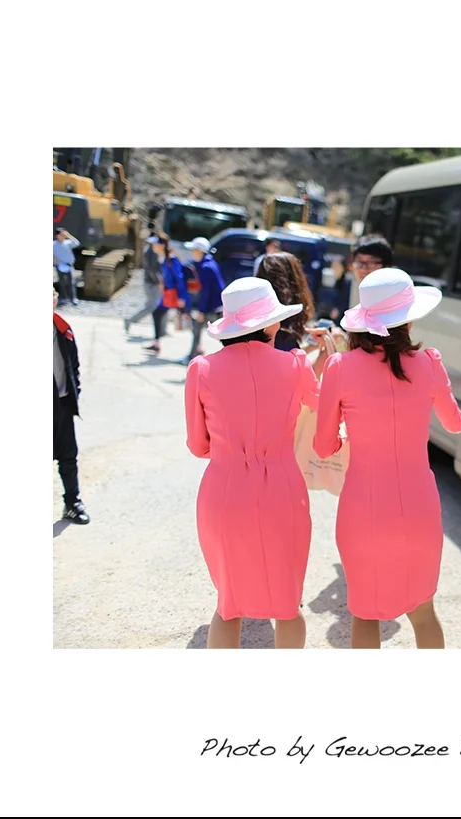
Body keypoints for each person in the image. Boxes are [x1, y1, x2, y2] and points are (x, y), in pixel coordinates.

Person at [312, 268, 461, 649]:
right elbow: (455, 422)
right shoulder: (429, 362)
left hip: (363, 507)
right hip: (419, 505)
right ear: (408, 320)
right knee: (424, 612)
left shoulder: (340, 367)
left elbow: (323, 447)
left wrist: (347, 437)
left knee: (365, 613)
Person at [183, 277, 332, 648]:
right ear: (270, 324)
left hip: (224, 490)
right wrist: (329, 357)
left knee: (229, 605)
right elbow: (322, 403)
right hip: (283, 488)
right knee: (287, 604)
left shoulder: (201, 369)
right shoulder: (295, 364)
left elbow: (198, 446)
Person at [54, 278, 90, 525]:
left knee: (68, 455)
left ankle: (72, 502)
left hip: (62, 402)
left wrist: (73, 390)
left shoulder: (62, 328)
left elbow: (73, 365)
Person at [255, 252, 316, 352]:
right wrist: (325, 350)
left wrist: (311, 347)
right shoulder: (284, 335)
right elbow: (290, 358)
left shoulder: (250, 329)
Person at [182, 237, 225, 366]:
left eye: (194, 249)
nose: (192, 252)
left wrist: (202, 311)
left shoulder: (206, 267)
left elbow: (206, 292)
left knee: (219, 334)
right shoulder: (208, 264)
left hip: (212, 306)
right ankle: (195, 352)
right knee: (198, 329)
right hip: (215, 305)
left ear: (200, 251)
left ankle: (193, 354)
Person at [148, 239, 188, 355]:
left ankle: (197, 347)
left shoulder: (172, 260)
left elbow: (179, 278)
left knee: (191, 320)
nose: (153, 246)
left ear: (161, 245)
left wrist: (182, 297)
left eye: (155, 244)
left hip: (175, 294)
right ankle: (156, 343)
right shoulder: (164, 259)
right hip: (168, 294)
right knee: (157, 313)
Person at [124, 235, 164, 336]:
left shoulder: (150, 251)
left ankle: (162, 329)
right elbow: (152, 270)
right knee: (151, 307)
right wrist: (158, 281)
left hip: (152, 282)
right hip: (152, 283)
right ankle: (130, 320)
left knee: (160, 306)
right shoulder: (151, 253)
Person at [54, 228, 81, 306]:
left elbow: (77, 243)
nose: (63, 236)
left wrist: (68, 235)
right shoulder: (54, 245)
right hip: (60, 265)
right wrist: (56, 261)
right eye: (61, 234)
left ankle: (73, 298)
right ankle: (63, 298)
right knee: (62, 282)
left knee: (71, 282)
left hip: (69, 265)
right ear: (57, 235)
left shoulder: (68, 243)